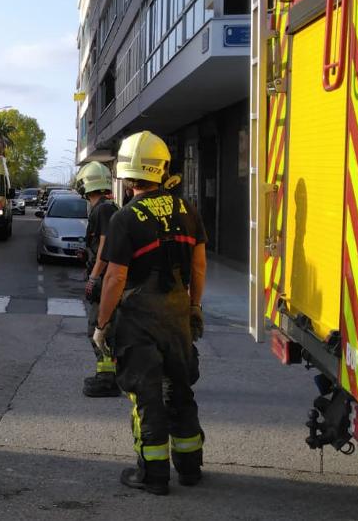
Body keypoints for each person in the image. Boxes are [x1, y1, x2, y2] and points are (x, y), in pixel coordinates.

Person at [94, 130, 207, 495]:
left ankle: (153, 474)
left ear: (127, 176)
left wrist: (102, 324)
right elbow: (199, 267)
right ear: (161, 169)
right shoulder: (187, 209)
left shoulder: (125, 218)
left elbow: (115, 277)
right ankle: (190, 467)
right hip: (177, 316)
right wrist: (193, 308)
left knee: (147, 397)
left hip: (139, 320)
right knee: (180, 390)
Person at [77, 161, 120, 398]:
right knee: (106, 327)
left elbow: (105, 242)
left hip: (104, 279)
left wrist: (94, 277)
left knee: (98, 327)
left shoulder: (103, 209)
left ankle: (107, 377)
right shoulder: (102, 208)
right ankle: (112, 373)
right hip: (105, 276)